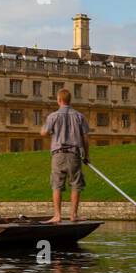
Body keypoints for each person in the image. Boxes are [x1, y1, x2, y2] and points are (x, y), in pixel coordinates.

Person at [40, 87, 89, 223]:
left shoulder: (53, 116)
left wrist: (42, 128)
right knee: (76, 184)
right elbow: (85, 138)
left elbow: (44, 133)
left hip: (58, 154)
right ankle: (73, 215)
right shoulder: (79, 116)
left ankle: (57, 215)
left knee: (57, 184)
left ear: (59, 100)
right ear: (69, 100)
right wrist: (86, 155)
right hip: (74, 154)